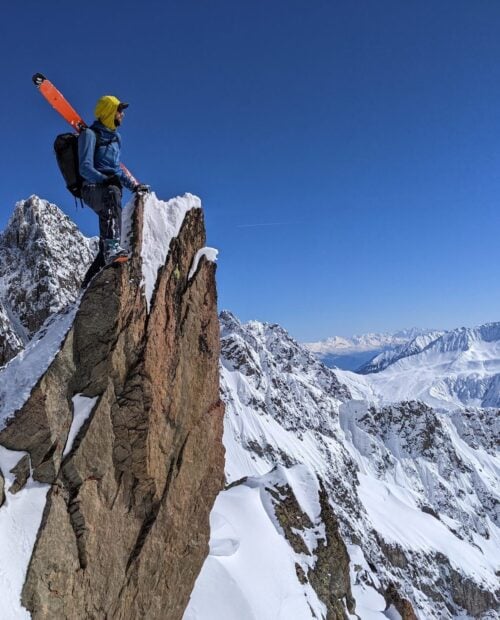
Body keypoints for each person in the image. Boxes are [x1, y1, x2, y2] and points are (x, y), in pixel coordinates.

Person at [78, 95, 149, 265]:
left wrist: (134, 186)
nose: (122, 114)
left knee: (113, 196)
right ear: (109, 112)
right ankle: (112, 247)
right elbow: (84, 167)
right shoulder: (89, 134)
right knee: (113, 192)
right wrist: (105, 180)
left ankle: (89, 283)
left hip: (108, 191)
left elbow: (117, 170)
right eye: (119, 111)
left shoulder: (116, 139)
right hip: (91, 187)